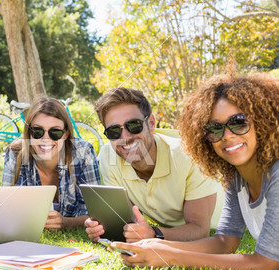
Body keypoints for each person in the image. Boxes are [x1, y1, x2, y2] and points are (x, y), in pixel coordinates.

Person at [112, 72, 279, 270]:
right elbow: (225, 242)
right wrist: (159, 246)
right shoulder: (236, 177)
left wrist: (170, 257)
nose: (227, 136)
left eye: (239, 122)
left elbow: (266, 264)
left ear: (263, 122)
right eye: (215, 129)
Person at [85, 87, 224, 242]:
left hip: (219, 226)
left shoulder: (189, 156)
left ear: (151, 123)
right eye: (113, 131)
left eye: (134, 125)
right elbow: (128, 222)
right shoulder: (108, 155)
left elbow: (199, 229)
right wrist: (101, 227)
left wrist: (154, 233)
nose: (125, 137)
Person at [2, 97, 101, 230]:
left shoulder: (83, 152)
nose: (45, 139)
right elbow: (5, 209)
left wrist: (66, 223)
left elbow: (94, 214)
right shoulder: (15, 152)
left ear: (65, 134)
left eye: (55, 132)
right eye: (38, 131)